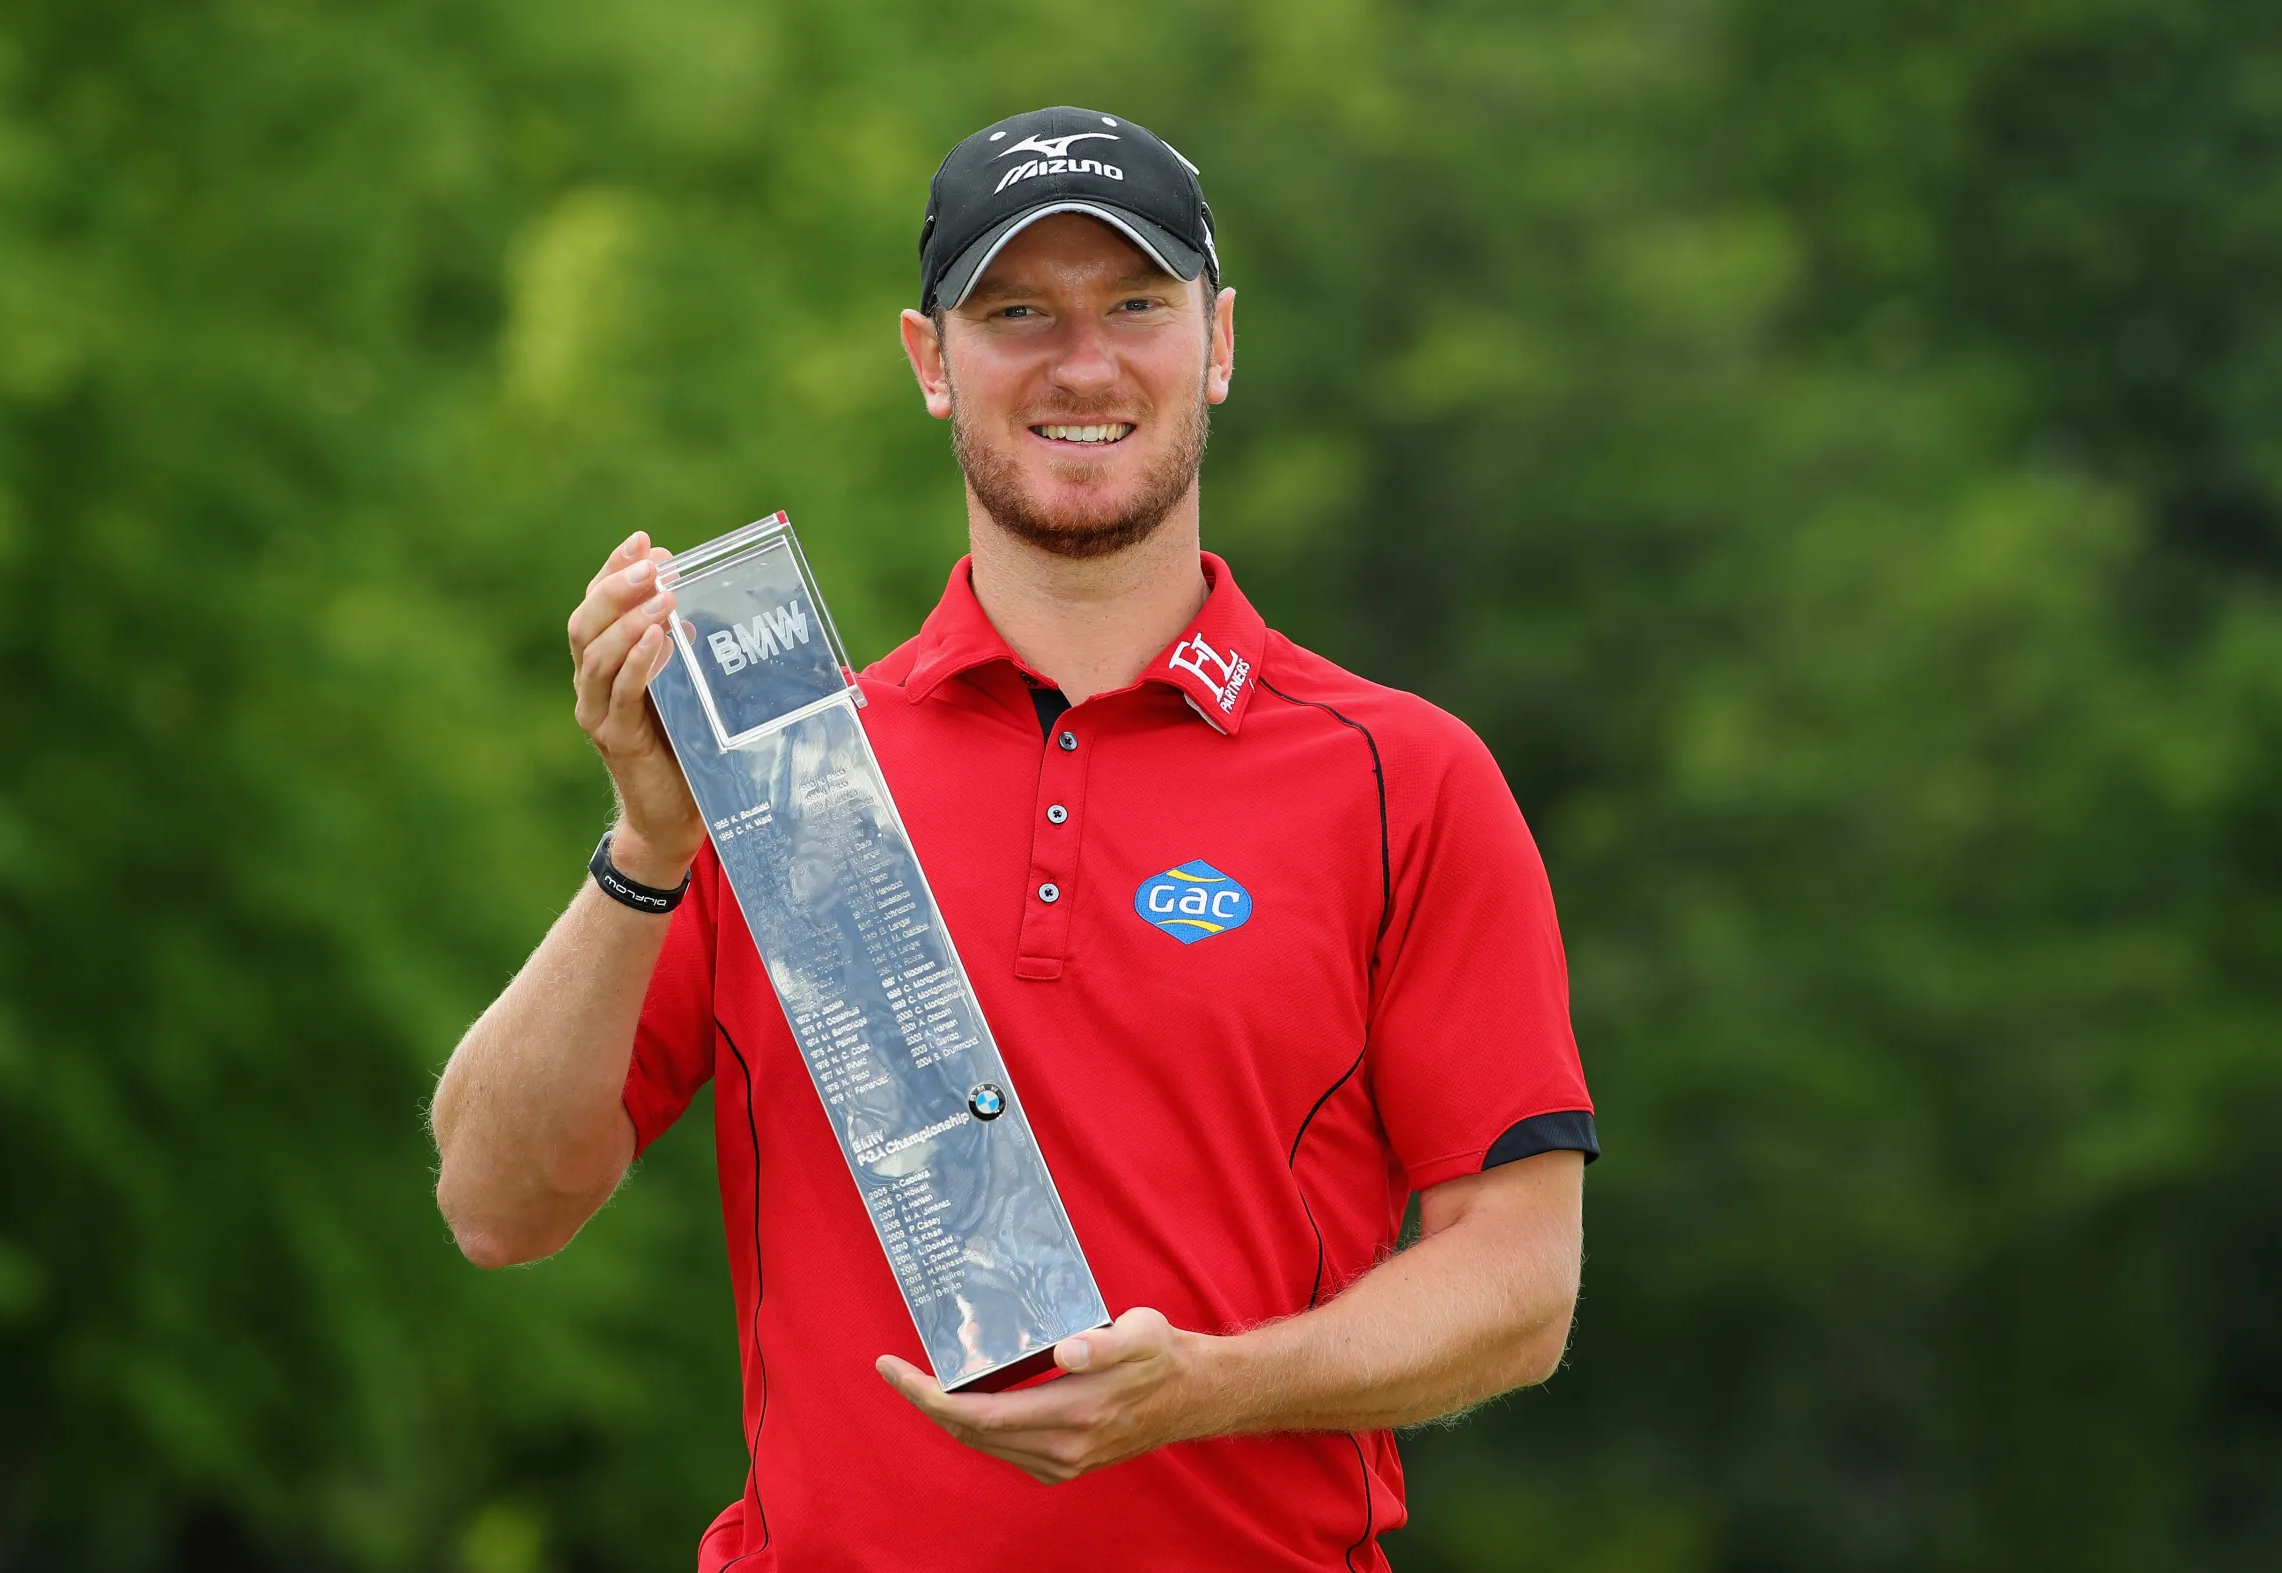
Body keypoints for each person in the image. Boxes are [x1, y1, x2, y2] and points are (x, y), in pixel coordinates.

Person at [431, 105, 1597, 1571]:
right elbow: (495, 1204)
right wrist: (648, 844)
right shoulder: (789, 773)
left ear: (1220, 342)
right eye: (1017, 313)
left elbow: (1519, 1283)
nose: (1084, 362)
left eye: (1135, 306)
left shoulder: (1404, 778)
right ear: (931, 361)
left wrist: (1214, 1389)